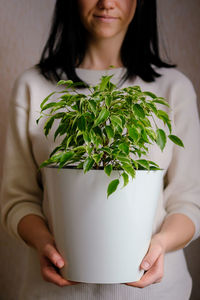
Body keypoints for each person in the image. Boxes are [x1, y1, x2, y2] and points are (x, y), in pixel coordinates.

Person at [1, 0, 200, 299]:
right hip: (53, 292)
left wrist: (160, 245)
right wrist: (44, 243)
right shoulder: (33, 85)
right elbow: (17, 199)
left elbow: (190, 201)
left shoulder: (173, 87)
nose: (107, 2)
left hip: (156, 293)